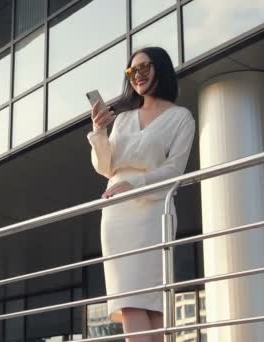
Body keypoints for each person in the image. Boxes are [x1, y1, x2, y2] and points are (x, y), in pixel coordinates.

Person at [86, 46, 196, 342]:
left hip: (154, 211)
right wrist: (98, 132)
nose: (138, 76)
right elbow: (106, 167)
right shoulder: (122, 119)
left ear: (160, 68)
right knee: (130, 300)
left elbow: (175, 170)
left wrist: (135, 184)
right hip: (118, 215)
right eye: (132, 71)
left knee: (155, 305)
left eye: (144, 68)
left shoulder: (181, 118)